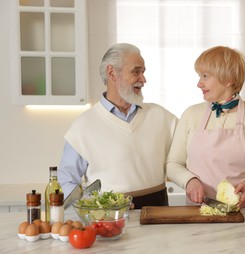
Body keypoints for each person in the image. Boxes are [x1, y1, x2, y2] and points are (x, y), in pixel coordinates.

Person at [58, 43, 178, 209]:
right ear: (112, 73)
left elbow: (187, 157)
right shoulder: (83, 126)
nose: (143, 80)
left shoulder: (163, 117)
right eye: (136, 72)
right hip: (109, 219)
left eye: (143, 72)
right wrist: (92, 207)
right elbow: (66, 180)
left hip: (158, 215)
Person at [167, 46, 245, 208]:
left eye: (205, 76)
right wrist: (189, 181)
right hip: (198, 213)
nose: (199, 84)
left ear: (229, 79)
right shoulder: (191, 115)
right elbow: (173, 164)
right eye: (199, 76)